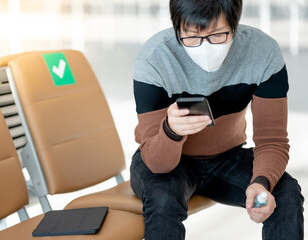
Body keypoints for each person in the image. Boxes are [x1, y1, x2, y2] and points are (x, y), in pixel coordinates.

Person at [130, 0, 304, 239]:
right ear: (176, 28)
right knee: (163, 198)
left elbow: (272, 140)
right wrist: (170, 131)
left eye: (217, 35)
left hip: (227, 157)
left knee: (285, 192)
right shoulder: (154, 59)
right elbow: (157, 163)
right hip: (166, 159)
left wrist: (261, 182)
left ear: (234, 25)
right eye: (191, 36)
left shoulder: (263, 53)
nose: (205, 47)